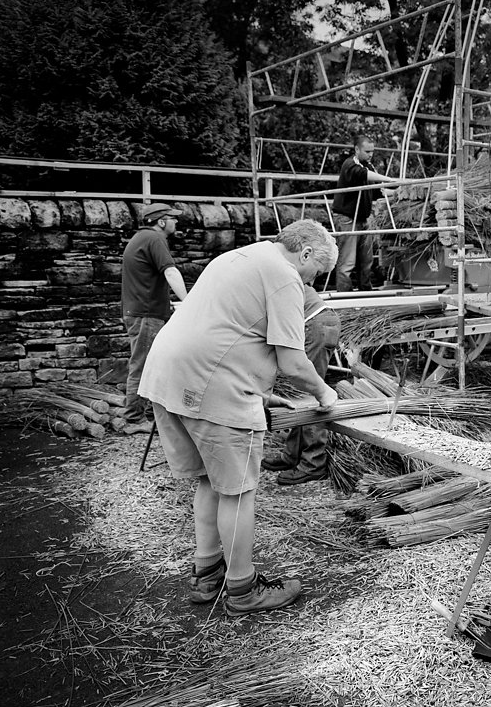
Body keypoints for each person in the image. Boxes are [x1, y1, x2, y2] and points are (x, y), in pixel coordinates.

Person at [138, 220, 340, 617]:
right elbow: (294, 361)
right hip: (211, 388)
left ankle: (207, 574)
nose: (314, 280)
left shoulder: (240, 256)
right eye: (317, 271)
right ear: (307, 254)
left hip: (167, 377)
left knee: (209, 482)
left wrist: (261, 394)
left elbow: (226, 331)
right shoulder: (284, 277)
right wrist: (324, 392)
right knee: (238, 492)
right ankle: (243, 590)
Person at [261, 283, 341, 485]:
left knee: (310, 392)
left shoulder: (256, 277)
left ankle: (313, 464)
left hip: (314, 323)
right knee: (299, 393)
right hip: (317, 321)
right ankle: (292, 455)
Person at [120, 202, 188, 434]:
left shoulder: (141, 238)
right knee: (143, 365)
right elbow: (170, 271)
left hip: (142, 312)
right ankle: (133, 419)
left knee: (149, 363)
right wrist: (189, 303)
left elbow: (146, 281)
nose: (175, 221)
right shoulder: (154, 239)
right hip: (146, 315)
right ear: (161, 221)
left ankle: (145, 413)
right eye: (172, 218)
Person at [331, 134, 394, 292]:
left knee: (366, 259)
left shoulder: (369, 166)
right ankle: (344, 296)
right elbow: (361, 174)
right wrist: (390, 179)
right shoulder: (350, 164)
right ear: (357, 149)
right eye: (367, 151)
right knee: (347, 261)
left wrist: (400, 191)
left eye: (372, 151)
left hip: (364, 218)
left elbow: (378, 191)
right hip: (347, 218)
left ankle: (365, 291)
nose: (370, 154)